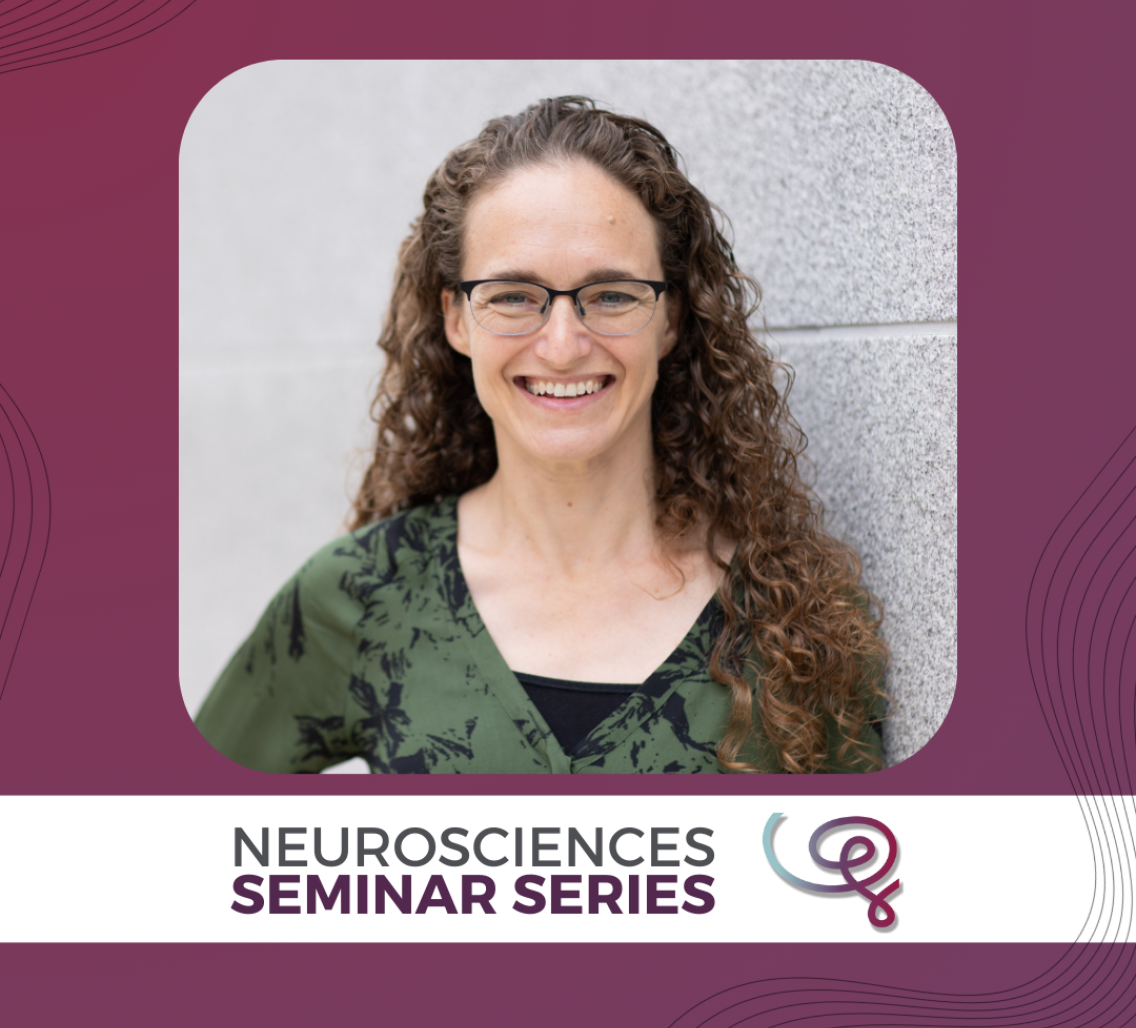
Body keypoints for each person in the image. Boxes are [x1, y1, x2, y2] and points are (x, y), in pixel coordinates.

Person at [195, 96, 887, 775]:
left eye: (612, 294)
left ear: (671, 317)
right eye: (513, 297)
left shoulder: (792, 619)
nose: (562, 346)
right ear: (456, 320)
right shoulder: (361, 596)